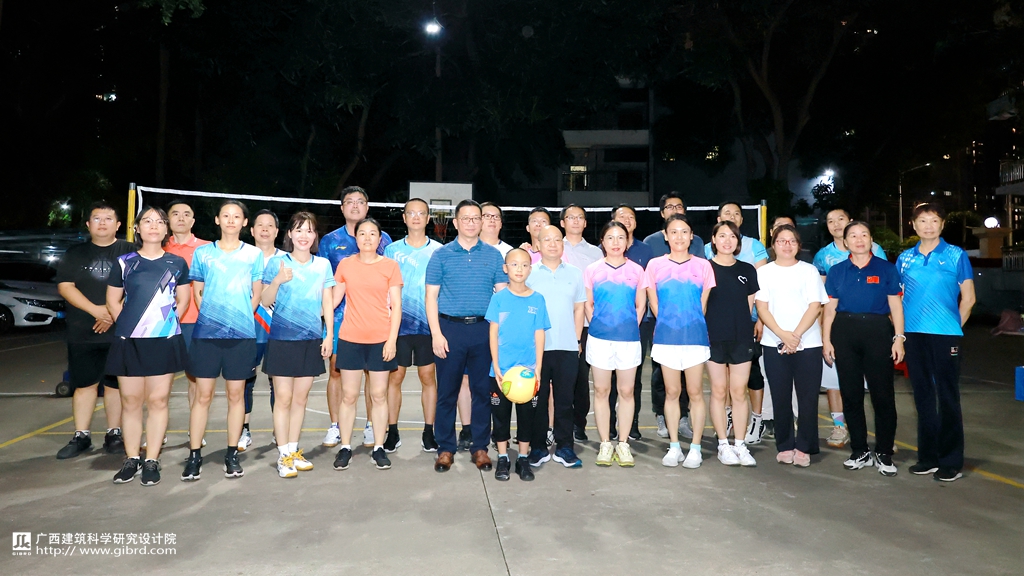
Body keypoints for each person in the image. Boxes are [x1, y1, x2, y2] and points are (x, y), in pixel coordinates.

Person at [105, 206, 190, 486]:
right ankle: (132, 458)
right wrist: (129, 326)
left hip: (163, 341)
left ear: (166, 229)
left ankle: (152, 459)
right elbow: (113, 301)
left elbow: (184, 299)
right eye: (147, 221)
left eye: (159, 222)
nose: (154, 226)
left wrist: (165, 325)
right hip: (129, 341)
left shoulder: (176, 263)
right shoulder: (124, 262)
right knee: (130, 401)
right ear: (137, 228)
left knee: (158, 401)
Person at [182, 200, 264, 481]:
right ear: (217, 220)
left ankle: (232, 454)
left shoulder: (253, 254)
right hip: (207, 335)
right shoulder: (203, 253)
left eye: (236, 216)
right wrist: (214, 318)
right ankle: (194, 455)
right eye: (225, 215)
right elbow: (197, 292)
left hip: (241, 336)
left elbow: (256, 293)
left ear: (244, 222)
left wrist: (240, 317)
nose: (231, 220)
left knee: (236, 395)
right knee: (202, 395)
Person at [425, 200, 508, 473]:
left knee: (482, 391)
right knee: (447, 392)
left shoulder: (494, 256)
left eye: (476, 218)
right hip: (450, 330)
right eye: (466, 218)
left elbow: (503, 296)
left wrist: (501, 333)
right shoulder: (441, 255)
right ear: (456, 223)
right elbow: (431, 297)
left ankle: (480, 447)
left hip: (483, 330)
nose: (471, 223)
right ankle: (445, 448)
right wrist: (436, 334)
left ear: (482, 222)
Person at [896, 203, 975, 482]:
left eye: (934, 220)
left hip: (945, 335)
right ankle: (928, 457)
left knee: (947, 396)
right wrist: (899, 335)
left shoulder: (955, 255)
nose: (928, 226)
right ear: (913, 225)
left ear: (942, 224)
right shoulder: (905, 258)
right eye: (922, 220)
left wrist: (953, 328)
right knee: (923, 396)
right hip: (914, 334)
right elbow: (897, 299)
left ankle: (951, 460)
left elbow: (969, 298)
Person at [822, 221, 905, 477]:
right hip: (844, 332)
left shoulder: (886, 269)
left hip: (878, 332)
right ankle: (859, 450)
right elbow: (829, 310)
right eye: (854, 236)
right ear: (846, 242)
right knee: (851, 394)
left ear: (871, 240)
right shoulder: (837, 271)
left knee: (883, 395)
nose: (859, 240)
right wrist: (826, 340)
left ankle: (884, 452)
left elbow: (896, 306)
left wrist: (899, 338)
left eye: (864, 235)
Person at [55, 201, 133, 460]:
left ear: (118, 224)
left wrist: (111, 312)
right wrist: (95, 310)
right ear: (88, 224)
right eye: (97, 218)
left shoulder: (129, 251)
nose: (102, 223)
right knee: (84, 384)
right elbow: (65, 286)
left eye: (108, 218)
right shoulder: (75, 253)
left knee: (115, 385)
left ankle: (114, 434)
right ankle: (81, 435)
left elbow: (138, 286)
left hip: (119, 330)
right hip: (82, 330)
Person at [260, 212, 335, 478]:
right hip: (282, 339)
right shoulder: (278, 263)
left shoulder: (323, 264)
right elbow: (264, 300)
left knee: (301, 399)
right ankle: (283, 455)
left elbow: (328, 301)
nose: (304, 235)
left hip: (311, 339)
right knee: (283, 398)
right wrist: (277, 280)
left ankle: (293, 450)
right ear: (290, 234)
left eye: (309, 230)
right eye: (299, 230)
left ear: (315, 236)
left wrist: (328, 335)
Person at [320, 186, 392, 449]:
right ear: (342, 208)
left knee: (374, 375)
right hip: (341, 318)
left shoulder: (383, 239)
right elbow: (324, 280)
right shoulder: (329, 241)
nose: (354, 205)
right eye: (349, 202)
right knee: (336, 372)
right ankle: (336, 425)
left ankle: (372, 425)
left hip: (374, 320)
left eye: (360, 201)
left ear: (367, 207)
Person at [331, 218, 403, 471]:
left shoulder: (390, 266)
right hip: (350, 338)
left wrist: (391, 340)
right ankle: (345, 447)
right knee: (349, 395)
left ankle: (379, 447)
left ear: (380, 239)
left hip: (380, 340)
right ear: (356, 237)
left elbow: (397, 306)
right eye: (362, 233)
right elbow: (334, 299)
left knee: (379, 395)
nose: (367, 238)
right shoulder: (345, 265)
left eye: (373, 233)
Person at [813, 208, 888, 450]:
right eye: (830, 221)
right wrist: (824, 332)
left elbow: (887, 292)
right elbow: (823, 297)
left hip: (873, 327)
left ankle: (883, 437)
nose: (836, 224)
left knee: (876, 385)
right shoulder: (823, 257)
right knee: (837, 382)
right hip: (839, 326)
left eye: (841, 219)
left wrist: (894, 333)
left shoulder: (875, 251)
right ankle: (840, 427)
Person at [755, 225, 829, 468]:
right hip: (773, 343)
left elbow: (815, 306)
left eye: (792, 241)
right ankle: (785, 445)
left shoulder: (809, 271)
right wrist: (782, 335)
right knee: (780, 396)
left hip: (808, 343)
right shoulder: (764, 272)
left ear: (798, 245)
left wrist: (795, 336)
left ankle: (805, 446)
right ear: (773, 245)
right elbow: (762, 307)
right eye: (781, 241)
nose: (786, 245)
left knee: (807, 398)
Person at [645, 215, 715, 469]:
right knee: (672, 392)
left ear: (692, 236)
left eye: (684, 231)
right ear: (666, 236)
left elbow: (703, 305)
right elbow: (654, 304)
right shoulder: (654, 265)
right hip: (666, 339)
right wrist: (669, 325)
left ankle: (695, 448)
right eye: (673, 232)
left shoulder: (703, 266)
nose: (679, 236)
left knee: (695, 392)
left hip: (695, 338)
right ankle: (674, 446)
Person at [704, 201, 770, 445]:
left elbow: (749, 307)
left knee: (739, 391)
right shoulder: (705, 268)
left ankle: (740, 444)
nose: (727, 240)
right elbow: (702, 306)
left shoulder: (748, 270)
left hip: (741, 338)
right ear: (713, 240)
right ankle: (723, 443)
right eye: (722, 235)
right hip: (713, 338)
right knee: (719, 391)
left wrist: (756, 325)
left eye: (732, 236)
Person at [585, 221, 648, 467]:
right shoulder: (592, 269)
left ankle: (623, 443)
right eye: (610, 237)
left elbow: (641, 305)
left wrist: (628, 326)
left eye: (620, 237)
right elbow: (588, 303)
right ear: (602, 241)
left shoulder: (636, 270)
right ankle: (605, 443)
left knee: (627, 391)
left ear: (627, 242)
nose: (615, 242)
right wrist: (600, 325)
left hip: (628, 340)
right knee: (601, 391)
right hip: (599, 339)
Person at [383, 198, 443, 453]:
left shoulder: (439, 251)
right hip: (399, 326)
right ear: (404, 218)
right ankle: (392, 431)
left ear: (428, 219)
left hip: (428, 326)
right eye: (411, 213)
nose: (416, 217)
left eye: (421, 213)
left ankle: (429, 432)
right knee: (395, 377)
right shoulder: (391, 251)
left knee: (428, 377)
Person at [487, 249, 551, 481]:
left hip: (527, 373)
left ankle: (523, 458)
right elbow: (493, 333)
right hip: (502, 372)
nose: (519, 269)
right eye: (514, 264)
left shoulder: (537, 299)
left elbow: (539, 334)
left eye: (524, 265)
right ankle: (503, 458)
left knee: (526, 417)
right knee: (500, 416)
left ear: (530, 269)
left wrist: (538, 368)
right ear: (506, 268)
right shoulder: (499, 298)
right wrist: (496, 366)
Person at [642, 192, 702, 442]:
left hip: (693, 329)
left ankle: (686, 423)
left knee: (692, 385)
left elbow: (703, 297)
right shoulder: (652, 249)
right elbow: (652, 296)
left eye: (679, 206)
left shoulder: (699, 254)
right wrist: (668, 322)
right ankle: (664, 419)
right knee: (664, 380)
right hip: (664, 327)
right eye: (669, 207)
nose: (679, 236)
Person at [525, 226, 585, 469]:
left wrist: (577, 340)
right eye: (547, 240)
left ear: (563, 244)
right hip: (536, 349)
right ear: (538, 245)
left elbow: (579, 308)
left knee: (565, 400)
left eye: (557, 240)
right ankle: (538, 447)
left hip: (567, 347)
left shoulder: (575, 273)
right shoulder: (529, 273)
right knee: (537, 400)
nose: (552, 244)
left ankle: (565, 446)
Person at [166, 199, 210, 447]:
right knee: (159, 381)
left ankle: (196, 432)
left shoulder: (207, 249)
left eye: (186, 214)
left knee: (197, 381)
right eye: (175, 214)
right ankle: (157, 431)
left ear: (193, 220)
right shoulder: (158, 247)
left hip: (196, 323)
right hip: (162, 324)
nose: (181, 218)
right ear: (168, 220)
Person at [607, 204, 653, 441]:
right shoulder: (604, 249)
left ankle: (632, 423)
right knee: (610, 378)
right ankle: (610, 425)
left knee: (633, 375)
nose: (627, 219)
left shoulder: (646, 250)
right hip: (608, 325)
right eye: (621, 216)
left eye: (631, 216)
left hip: (638, 323)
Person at [560, 204, 603, 442]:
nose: (575, 221)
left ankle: (579, 424)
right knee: (559, 378)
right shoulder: (554, 246)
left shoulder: (596, 253)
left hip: (585, 325)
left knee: (580, 377)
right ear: (563, 222)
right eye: (571, 217)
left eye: (580, 217)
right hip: (558, 323)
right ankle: (557, 425)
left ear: (585, 223)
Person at [241, 209, 282, 452]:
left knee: (278, 382)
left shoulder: (287, 259)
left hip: (278, 331)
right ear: (252, 230)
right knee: (245, 380)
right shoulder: (242, 257)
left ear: (277, 231)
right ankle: (243, 429)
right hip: (248, 328)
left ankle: (280, 430)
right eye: (260, 225)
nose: (265, 229)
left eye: (270, 225)